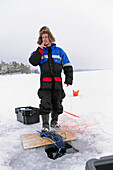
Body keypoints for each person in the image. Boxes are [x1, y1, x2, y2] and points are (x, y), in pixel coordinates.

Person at [29, 26, 73, 132]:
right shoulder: (38, 52)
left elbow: (67, 65)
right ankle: (45, 125)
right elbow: (33, 61)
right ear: (41, 39)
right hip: (45, 83)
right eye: (42, 37)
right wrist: (39, 50)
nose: (45, 39)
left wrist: (68, 79)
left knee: (57, 103)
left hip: (57, 83)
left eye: (46, 37)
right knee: (45, 103)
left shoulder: (59, 51)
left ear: (50, 38)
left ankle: (54, 122)